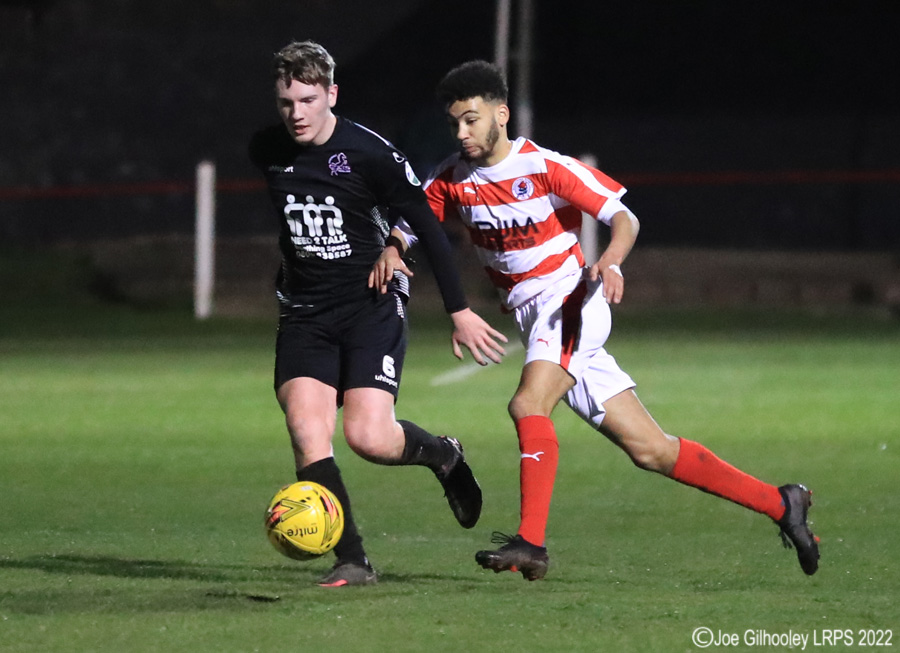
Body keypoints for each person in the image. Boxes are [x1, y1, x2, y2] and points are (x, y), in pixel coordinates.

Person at [372, 60, 819, 580]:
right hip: (533, 318)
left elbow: (623, 217)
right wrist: (393, 246)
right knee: (653, 451)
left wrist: (609, 261)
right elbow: (413, 221)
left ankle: (531, 544)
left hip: (571, 301)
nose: (462, 132)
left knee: (527, 402)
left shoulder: (544, 167)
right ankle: (782, 504)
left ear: (501, 114)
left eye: (471, 119)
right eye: (454, 123)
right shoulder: (452, 177)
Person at [249, 43, 508, 587]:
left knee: (368, 437)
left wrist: (458, 309)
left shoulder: (369, 153)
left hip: (370, 305)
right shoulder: (267, 149)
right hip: (304, 313)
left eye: (308, 99)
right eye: (286, 101)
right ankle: (352, 559)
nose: (296, 112)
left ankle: (443, 455)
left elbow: (428, 227)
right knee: (305, 429)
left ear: (331, 95)